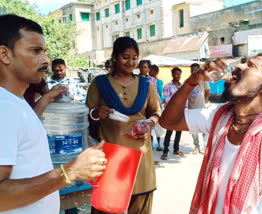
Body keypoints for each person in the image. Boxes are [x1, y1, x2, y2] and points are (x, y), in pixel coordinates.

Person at [159, 52, 262, 213]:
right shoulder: (219, 116)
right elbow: (168, 121)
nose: (239, 66)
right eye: (242, 63)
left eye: (251, 65)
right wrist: (193, 81)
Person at [0, 14, 107, 214]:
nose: (46, 60)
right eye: (35, 51)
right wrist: (70, 171)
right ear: (5, 54)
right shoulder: (4, 106)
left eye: (45, 51)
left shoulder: (17, 102)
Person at [86, 37, 161, 214]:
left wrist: (149, 124)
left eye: (134, 58)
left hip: (141, 157)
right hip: (111, 158)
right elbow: (87, 115)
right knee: (106, 206)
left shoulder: (146, 84)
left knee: (141, 204)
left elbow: (156, 113)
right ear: (114, 56)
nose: (131, 62)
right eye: (125, 57)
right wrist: (97, 113)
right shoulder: (100, 83)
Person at [160, 67, 185, 160]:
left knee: (179, 132)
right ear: (172, 74)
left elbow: (185, 99)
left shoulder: (182, 86)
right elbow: (167, 100)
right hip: (171, 113)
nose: (178, 76)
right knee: (169, 132)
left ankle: (176, 149)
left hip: (180, 112)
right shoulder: (167, 87)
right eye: (176, 74)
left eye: (179, 74)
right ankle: (165, 151)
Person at [187, 63, 210, 154]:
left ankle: (205, 147)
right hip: (191, 110)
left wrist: (204, 102)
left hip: (202, 109)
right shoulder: (188, 81)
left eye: (196, 70)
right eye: (192, 70)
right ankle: (196, 146)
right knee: (193, 129)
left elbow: (207, 92)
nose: (194, 72)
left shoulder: (204, 80)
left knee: (205, 128)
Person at [149, 64, 165, 151]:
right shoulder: (147, 80)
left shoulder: (159, 82)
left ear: (156, 72)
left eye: (151, 70)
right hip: (150, 105)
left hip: (157, 103)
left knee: (157, 126)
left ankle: (158, 144)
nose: (149, 72)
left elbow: (159, 92)